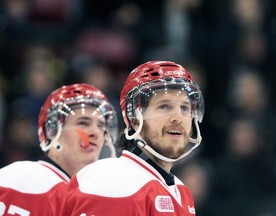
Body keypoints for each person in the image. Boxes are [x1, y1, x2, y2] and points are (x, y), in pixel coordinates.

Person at [61, 60, 205, 215]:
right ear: (135, 120)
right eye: (164, 106)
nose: (178, 117)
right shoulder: (114, 185)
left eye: (185, 108)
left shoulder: (180, 189)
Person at [0, 83, 118, 215]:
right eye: (83, 123)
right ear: (52, 130)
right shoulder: (20, 178)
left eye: (101, 126)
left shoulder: (94, 195)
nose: (95, 132)